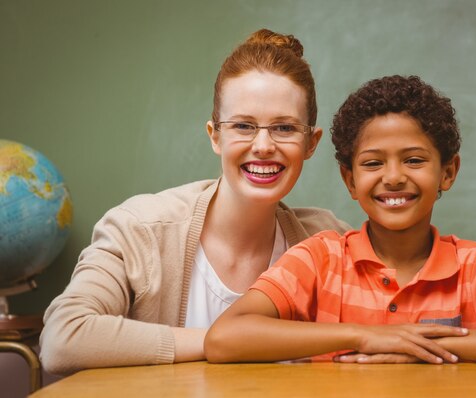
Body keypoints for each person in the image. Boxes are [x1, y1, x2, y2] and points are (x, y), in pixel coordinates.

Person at [204, 75, 476, 365]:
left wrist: (420, 347)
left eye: (414, 159)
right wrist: (366, 337)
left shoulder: (473, 267)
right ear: (350, 180)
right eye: (373, 163)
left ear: (448, 172)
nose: (393, 177)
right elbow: (225, 338)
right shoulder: (320, 259)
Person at [39, 28, 351, 375]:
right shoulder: (138, 230)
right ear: (215, 136)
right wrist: (226, 341)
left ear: (311, 142)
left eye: (284, 128)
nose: (263, 145)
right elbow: (62, 339)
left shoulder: (332, 242)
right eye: (243, 126)